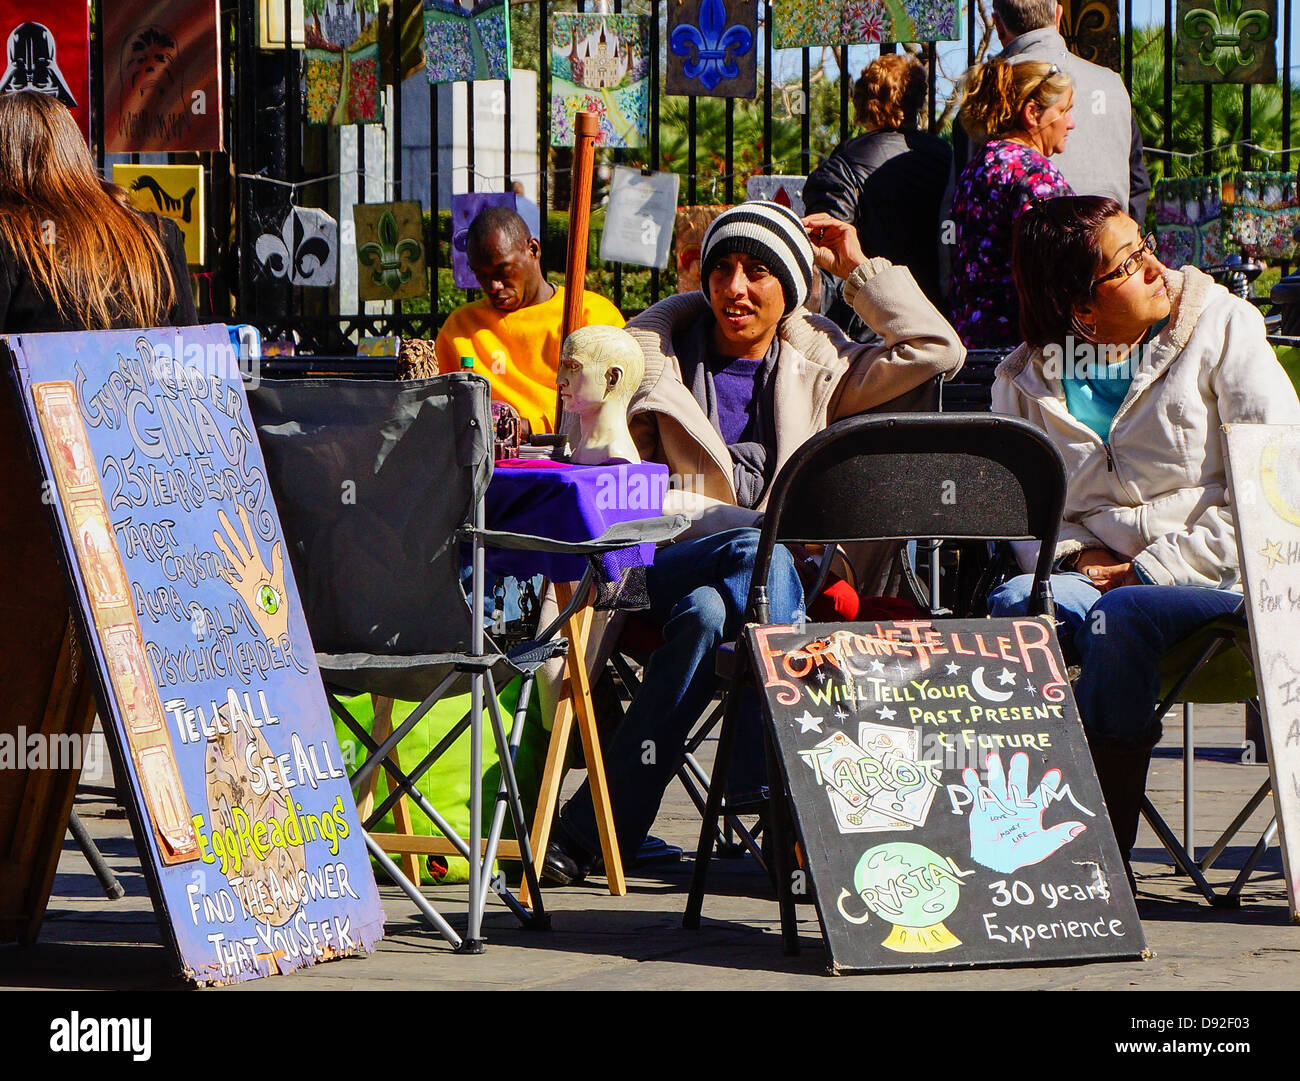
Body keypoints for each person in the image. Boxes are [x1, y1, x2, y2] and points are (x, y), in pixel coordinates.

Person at [543, 201, 966, 884]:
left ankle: (589, 831)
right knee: (748, 553)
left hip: (748, 595)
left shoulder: (823, 361)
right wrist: (710, 517)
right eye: (722, 270)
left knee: (710, 617)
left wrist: (857, 268)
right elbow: (607, 488)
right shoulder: (649, 360)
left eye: (758, 271)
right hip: (661, 566)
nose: (735, 288)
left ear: (790, 288)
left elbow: (938, 349)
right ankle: (788, 805)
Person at [986, 194, 1300, 894]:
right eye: (1126, 263)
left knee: (1118, 618)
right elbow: (1025, 510)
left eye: (1143, 245)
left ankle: (1100, 862)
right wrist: (1071, 559)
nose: (1157, 265)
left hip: (1222, 576)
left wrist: (1150, 568)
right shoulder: (1025, 381)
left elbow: (1276, 483)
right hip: (1092, 574)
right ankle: (1019, 840)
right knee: (1013, 605)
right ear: (1081, 310)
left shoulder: (1223, 328)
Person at [0, 91, 196, 332]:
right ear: (72, 150)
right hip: (140, 366)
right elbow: (189, 351)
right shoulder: (155, 233)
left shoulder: (10, 237)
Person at [431, 205, 625, 436]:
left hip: (570, 455)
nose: (494, 286)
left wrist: (529, 427)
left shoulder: (591, 315)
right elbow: (436, 407)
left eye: (503, 270)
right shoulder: (460, 327)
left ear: (532, 249)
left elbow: (617, 402)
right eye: (481, 275)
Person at [803, 53, 952, 329]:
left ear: (862, 101)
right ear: (916, 101)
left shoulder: (843, 165)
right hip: (937, 317)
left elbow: (829, 259)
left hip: (871, 322)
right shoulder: (944, 157)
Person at [950, 57, 1074, 348]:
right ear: (1033, 113)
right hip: (1022, 350)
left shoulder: (981, 163)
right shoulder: (1034, 173)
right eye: (1063, 110)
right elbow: (1056, 266)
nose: (1071, 123)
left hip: (973, 340)